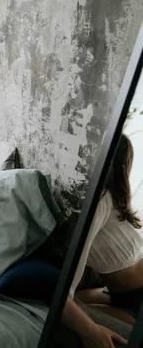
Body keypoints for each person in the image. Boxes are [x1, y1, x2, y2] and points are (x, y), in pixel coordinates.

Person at [61, 134, 141, 348]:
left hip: (136, 300)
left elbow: (64, 294)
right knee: (72, 305)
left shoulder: (103, 199)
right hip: (118, 294)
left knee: (72, 309)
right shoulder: (97, 197)